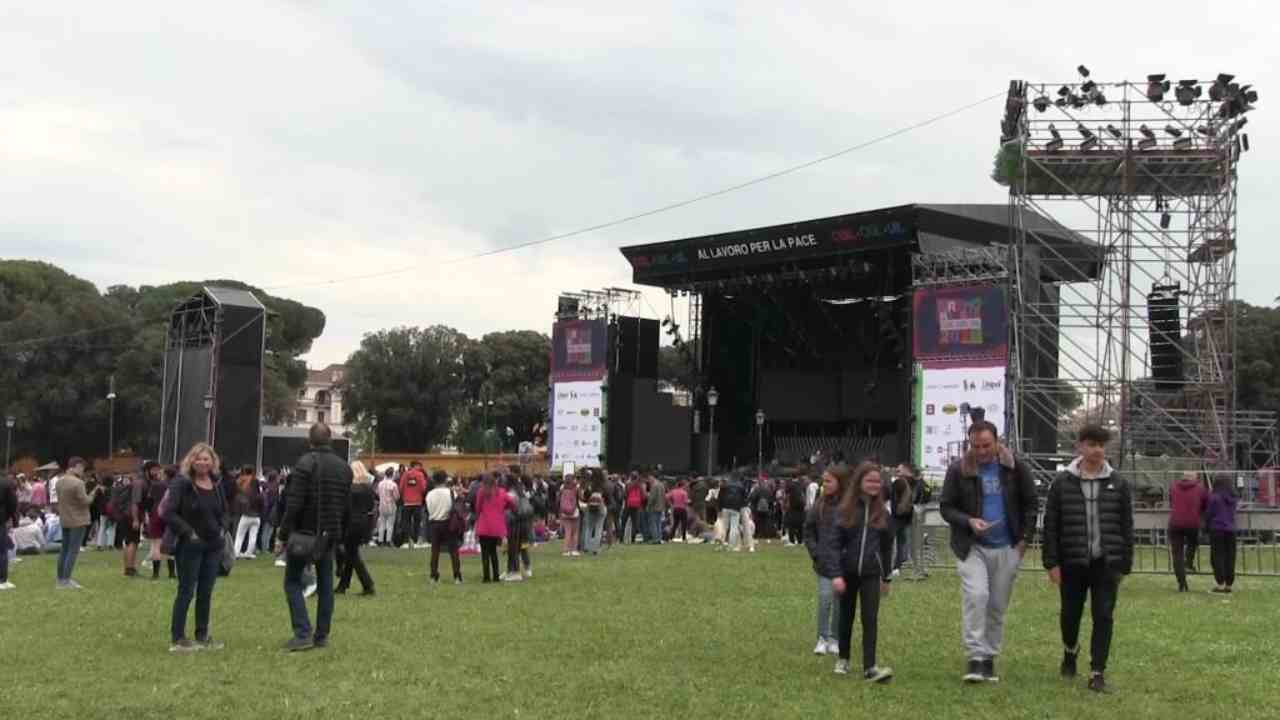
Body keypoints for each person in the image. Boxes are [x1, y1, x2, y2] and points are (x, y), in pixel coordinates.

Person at [939, 420, 1037, 684]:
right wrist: (969, 521)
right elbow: (946, 508)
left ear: (997, 442)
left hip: (1007, 546)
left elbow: (1031, 504)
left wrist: (1024, 541)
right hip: (971, 547)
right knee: (977, 595)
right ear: (969, 444)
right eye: (975, 446)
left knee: (996, 605)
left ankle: (989, 658)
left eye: (986, 445)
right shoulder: (958, 470)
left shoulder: (1016, 468)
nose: (981, 451)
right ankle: (974, 657)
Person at [1042, 423, 1134, 693]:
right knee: (1070, 615)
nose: (1097, 451)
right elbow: (1051, 525)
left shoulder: (1118, 482)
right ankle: (1070, 651)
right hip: (1072, 562)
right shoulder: (1062, 482)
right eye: (1092, 445)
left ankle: (1097, 672)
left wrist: (1124, 562)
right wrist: (1052, 563)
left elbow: (1126, 525)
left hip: (1105, 563)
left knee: (1104, 615)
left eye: (1101, 446)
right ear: (1080, 447)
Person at [279, 423, 354, 651]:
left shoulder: (305, 463)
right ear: (330, 439)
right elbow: (347, 506)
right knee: (325, 584)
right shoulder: (344, 468)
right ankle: (322, 635)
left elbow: (294, 503)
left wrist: (283, 532)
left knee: (292, 582)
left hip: (305, 532)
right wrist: (341, 531)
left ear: (309, 440)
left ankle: (302, 633)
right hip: (330, 533)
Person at [823, 462, 894, 682]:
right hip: (847, 572)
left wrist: (887, 577)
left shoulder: (883, 512)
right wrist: (835, 574)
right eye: (869, 480)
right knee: (846, 616)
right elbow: (833, 544)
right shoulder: (845, 510)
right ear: (859, 482)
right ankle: (843, 658)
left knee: (870, 618)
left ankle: (870, 666)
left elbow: (887, 547)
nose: (874, 485)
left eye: (877, 481)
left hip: (872, 573)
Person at [164, 443, 228, 653]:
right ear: (191, 460)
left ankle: (202, 635)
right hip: (190, 546)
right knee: (186, 591)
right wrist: (188, 533)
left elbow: (224, 511)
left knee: (206, 592)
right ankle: (178, 637)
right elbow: (168, 512)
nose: (202, 462)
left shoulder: (216, 483)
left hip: (213, 546)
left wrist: (223, 529)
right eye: (198, 458)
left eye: (206, 459)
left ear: (213, 462)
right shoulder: (181, 483)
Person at [804, 465, 845, 656]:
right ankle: (822, 637)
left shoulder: (849, 506)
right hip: (823, 563)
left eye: (828, 481)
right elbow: (809, 530)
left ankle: (835, 638)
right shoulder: (819, 505)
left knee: (839, 603)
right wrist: (816, 552)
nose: (824, 484)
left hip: (844, 564)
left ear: (839, 482)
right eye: (823, 480)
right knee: (825, 599)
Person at [336, 460, 375, 596]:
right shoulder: (369, 488)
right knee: (351, 554)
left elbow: (345, 509)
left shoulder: (350, 489)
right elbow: (371, 507)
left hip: (351, 523)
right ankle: (343, 585)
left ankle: (368, 584)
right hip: (364, 523)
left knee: (352, 555)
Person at [55, 457, 93, 589]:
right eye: (82, 468)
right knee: (73, 551)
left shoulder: (59, 481)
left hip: (65, 519)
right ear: (76, 466)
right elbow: (85, 501)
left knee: (64, 549)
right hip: (78, 520)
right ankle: (66, 580)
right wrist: (93, 493)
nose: (83, 470)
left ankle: (60, 579)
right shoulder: (78, 483)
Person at [1168, 471, 1208, 592]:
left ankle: (1181, 582)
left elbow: (1171, 502)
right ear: (1194, 478)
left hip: (1175, 523)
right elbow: (1205, 504)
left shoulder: (1173, 487)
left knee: (1176, 553)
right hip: (1192, 523)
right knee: (1193, 542)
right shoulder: (1200, 489)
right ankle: (1189, 562)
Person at [474, 472, 513, 582]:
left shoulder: (481, 492)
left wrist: (477, 518)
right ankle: (496, 576)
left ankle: (486, 577)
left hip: (484, 525)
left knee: (485, 553)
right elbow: (511, 502)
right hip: (496, 526)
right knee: (493, 552)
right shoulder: (501, 492)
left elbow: (477, 507)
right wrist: (505, 508)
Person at [426, 471, 461, 584]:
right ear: (445, 480)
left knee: (435, 551)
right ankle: (457, 576)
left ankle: (434, 576)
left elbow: (429, 510)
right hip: (448, 523)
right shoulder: (451, 493)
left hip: (434, 523)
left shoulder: (429, 494)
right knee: (453, 551)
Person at [143, 461, 176, 580]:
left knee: (156, 544)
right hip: (171, 515)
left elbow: (149, 501)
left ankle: (155, 574)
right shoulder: (176, 486)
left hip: (156, 513)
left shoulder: (156, 485)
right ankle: (172, 573)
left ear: (165, 474)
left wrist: (147, 513)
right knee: (170, 545)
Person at [1207, 476, 1239, 594]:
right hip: (1230, 529)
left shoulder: (1214, 497)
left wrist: (1206, 526)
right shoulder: (1233, 498)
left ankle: (1220, 583)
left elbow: (1209, 513)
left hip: (1217, 528)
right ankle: (1229, 584)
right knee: (1230, 557)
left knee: (1217, 557)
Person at [504, 476, 534, 580]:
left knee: (513, 548)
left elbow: (508, 509)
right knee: (523, 547)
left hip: (514, 524)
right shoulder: (522, 493)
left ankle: (514, 571)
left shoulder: (510, 494)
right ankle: (526, 568)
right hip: (524, 524)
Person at [890, 464, 917, 576]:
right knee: (902, 543)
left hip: (897, 516)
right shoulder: (916, 482)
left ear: (906, 470)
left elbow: (890, 495)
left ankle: (893, 566)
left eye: (899, 470)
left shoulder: (899, 482)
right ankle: (897, 566)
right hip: (908, 516)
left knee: (892, 543)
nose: (897, 471)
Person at [232, 466, 263, 559]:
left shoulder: (246, 494)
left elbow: (241, 501)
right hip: (257, 517)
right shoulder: (260, 496)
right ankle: (249, 553)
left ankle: (236, 553)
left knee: (239, 536)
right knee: (253, 536)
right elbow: (262, 507)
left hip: (246, 516)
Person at [398, 462, 428, 548]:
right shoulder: (420, 475)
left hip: (406, 502)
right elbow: (423, 488)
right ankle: (415, 541)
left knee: (406, 522)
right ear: (416, 466)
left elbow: (401, 488)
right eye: (419, 466)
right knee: (417, 522)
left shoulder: (405, 474)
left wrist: (404, 496)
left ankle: (406, 541)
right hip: (417, 502)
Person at [718, 474, 746, 551]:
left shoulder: (725, 485)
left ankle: (721, 545)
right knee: (734, 528)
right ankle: (731, 546)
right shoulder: (741, 486)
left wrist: (719, 509)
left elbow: (720, 497)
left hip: (725, 507)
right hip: (736, 508)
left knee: (724, 527)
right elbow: (744, 499)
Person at [1, 472, 18, 589]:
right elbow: (13, 504)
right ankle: (2, 580)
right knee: (1, 551)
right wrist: (11, 517)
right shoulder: (5, 483)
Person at [375, 468, 399, 547]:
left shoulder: (380, 483)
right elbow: (396, 497)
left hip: (381, 505)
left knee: (382, 523)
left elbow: (377, 493)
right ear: (392, 474)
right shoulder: (393, 484)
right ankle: (388, 540)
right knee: (390, 524)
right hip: (391, 505)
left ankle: (380, 540)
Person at [558, 476, 582, 556]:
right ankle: (574, 550)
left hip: (564, 512)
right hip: (574, 511)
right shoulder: (576, 488)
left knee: (567, 532)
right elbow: (581, 498)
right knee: (575, 532)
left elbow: (558, 500)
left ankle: (566, 550)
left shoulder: (562, 489)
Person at [621, 473, 645, 543]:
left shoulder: (628, 484)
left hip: (628, 505)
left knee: (624, 522)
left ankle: (621, 539)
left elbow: (625, 495)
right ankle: (633, 539)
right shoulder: (640, 485)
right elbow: (643, 496)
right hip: (637, 506)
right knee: (635, 523)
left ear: (631, 477)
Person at [645, 474, 667, 544]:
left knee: (653, 524)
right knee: (658, 524)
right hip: (661, 507)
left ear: (652, 477)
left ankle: (655, 539)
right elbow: (664, 496)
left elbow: (652, 498)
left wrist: (648, 506)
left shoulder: (654, 486)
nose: (648, 481)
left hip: (654, 507)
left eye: (649, 479)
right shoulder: (661, 485)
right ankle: (659, 538)